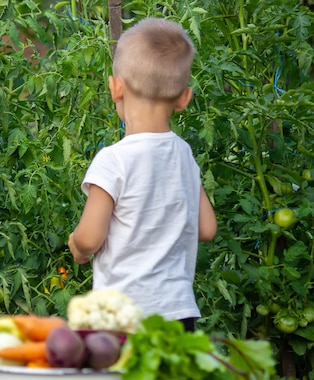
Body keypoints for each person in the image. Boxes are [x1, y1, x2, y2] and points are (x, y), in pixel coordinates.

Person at [67, 17, 217, 332]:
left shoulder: (113, 160)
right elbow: (206, 228)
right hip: (177, 314)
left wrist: (78, 248)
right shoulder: (184, 155)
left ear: (115, 87)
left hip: (121, 318)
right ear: (184, 98)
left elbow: (91, 237)